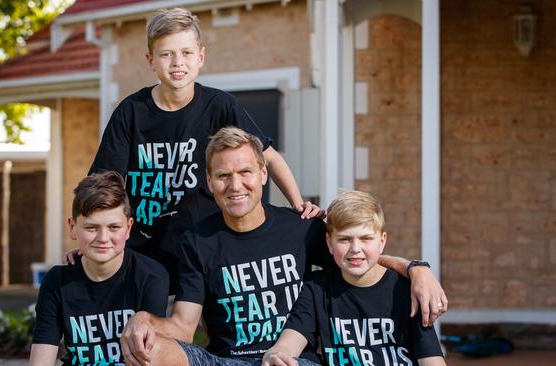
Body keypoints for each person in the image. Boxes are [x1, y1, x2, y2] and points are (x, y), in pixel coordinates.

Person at [120, 128, 447, 366]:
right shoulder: (196, 241)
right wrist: (143, 320)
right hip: (227, 361)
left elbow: (357, 257)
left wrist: (415, 269)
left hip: (292, 360)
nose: (236, 185)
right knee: (150, 351)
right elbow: (183, 328)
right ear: (209, 182)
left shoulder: (300, 229)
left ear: (264, 173)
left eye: (245, 171)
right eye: (224, 176)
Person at [85, 8, 322, 284]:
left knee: (218, 323)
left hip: (209, 245)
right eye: (166, 54)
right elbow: (104, 184)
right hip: (146, 250)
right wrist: (89, 237)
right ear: (150, 60)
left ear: (201, 57)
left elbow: (268, 157)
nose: (177, 63)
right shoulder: (131, 112)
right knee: (148, 325)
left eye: (186, 53)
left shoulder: (220, 106)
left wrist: (298, 204)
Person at [261, 190, 446, 366]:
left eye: (366, 238)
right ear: (329, 243)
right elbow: (291, 340)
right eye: (344, 239)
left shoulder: (406, 290)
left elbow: (432, 360)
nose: (355, 248)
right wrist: (277, 352)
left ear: (382, 241)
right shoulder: (317, 288)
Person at [29, 172, 169, 366]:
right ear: (72, 227)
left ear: (128, 228)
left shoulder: (151, 276)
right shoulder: (57, 282)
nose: (103, 238)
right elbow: (41, 359)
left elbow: (154, 356)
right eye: (91, 228)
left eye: (113, 227)